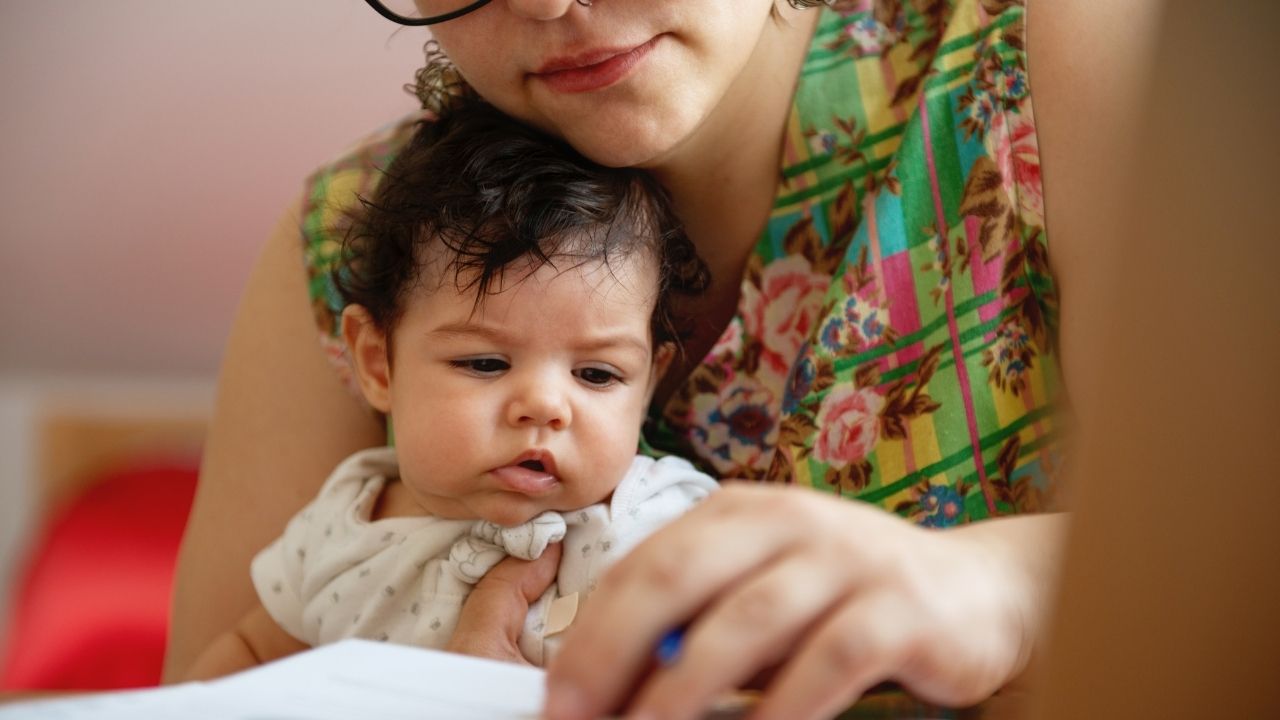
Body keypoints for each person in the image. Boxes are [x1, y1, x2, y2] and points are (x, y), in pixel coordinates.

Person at [165, 1, 1164, 718]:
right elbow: (207, 694)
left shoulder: (1052, 51)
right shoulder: (352, 236)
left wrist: (993, 586)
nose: (550, 4)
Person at [179, 101, 718, 679]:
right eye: (485, 362)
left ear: (645, 387)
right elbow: (252, 653)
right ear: (378, 364)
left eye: (597, 375)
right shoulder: (344, 523)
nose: (543, 405)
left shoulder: (653, 523)